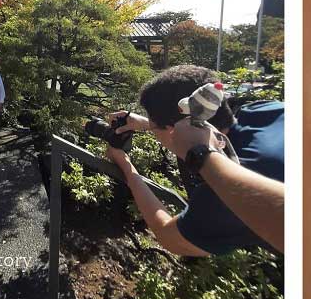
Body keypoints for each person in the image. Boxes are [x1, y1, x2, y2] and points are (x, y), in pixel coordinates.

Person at [105, 64, 284, 257]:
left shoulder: (225, 194)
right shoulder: (263, 110)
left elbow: (168, 235)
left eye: (157, 129)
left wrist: (127, 167)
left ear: (173, 129)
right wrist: (152, 125)